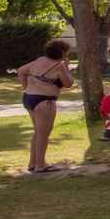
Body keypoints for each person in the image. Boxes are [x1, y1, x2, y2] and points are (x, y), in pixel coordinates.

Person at [17, 40, 75, 173]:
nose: (67, 54)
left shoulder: (39, 60)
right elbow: (68, 83)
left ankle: (33, 163)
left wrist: (27, 88)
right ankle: (41, 165)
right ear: (61, 53)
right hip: (45, 101)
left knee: (38, 132)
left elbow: (21, 71)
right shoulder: (58, 66)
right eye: (66, 52)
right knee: (44, 134)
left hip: (29, 98)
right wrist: (66, 67)